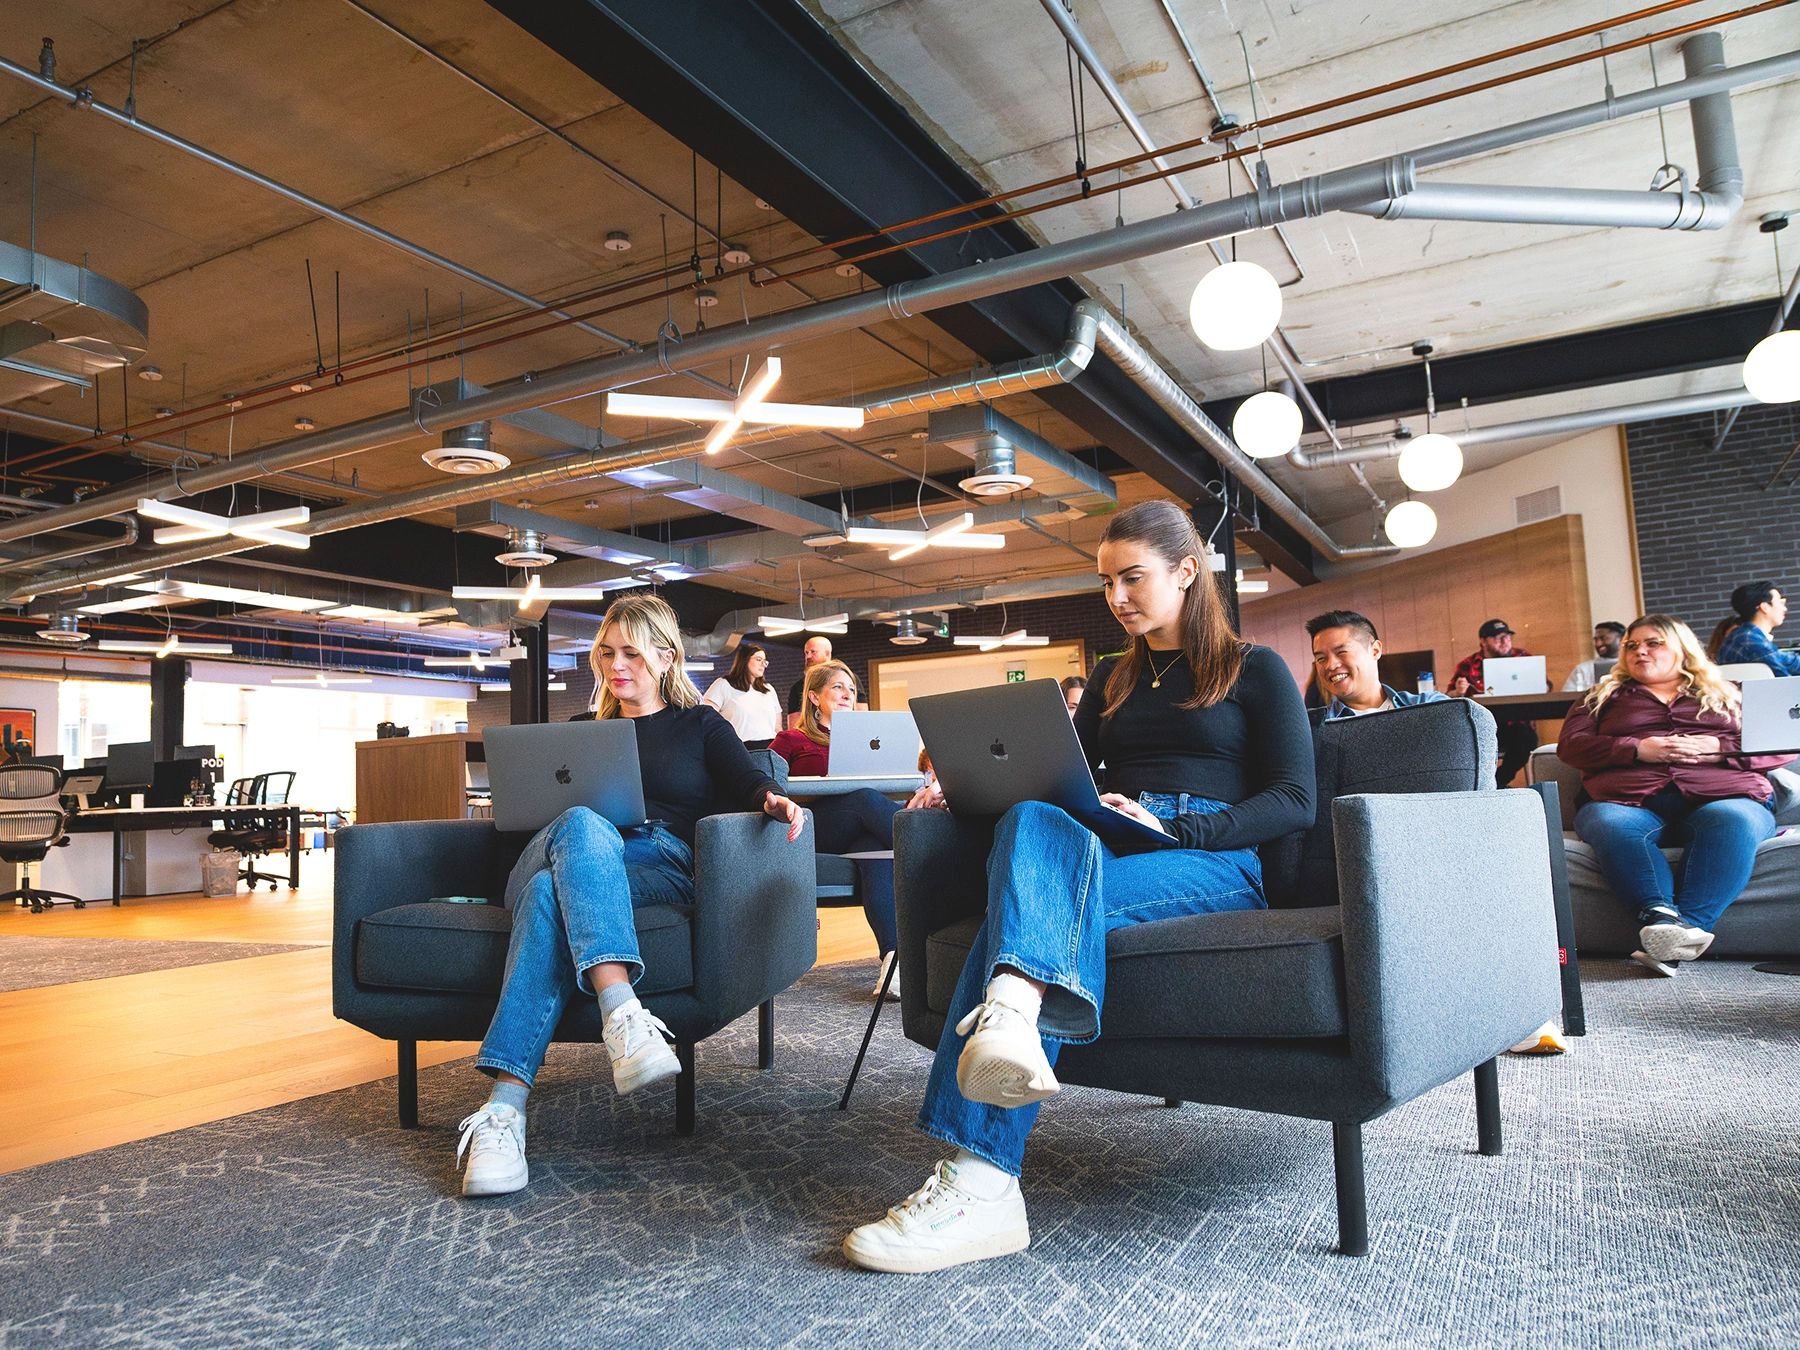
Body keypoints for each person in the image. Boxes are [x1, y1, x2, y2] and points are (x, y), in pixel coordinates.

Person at [841, 499, 1314, 1274]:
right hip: (1108, 841)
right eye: (1105, 583)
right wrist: (957, 789)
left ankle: (982, 1180)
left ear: (1187, 572)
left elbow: (1295, 800)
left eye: (1133, 579)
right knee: (1030, 813)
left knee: (1020, 924)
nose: (1117, 598)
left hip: (1208, 857)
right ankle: (1014, 1020)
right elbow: (1061, 781)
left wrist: (1177, 829)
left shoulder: (1252, 669)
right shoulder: (1110, 677)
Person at [454, 595, 806, 1198]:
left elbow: (749, 778)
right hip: (561, 847)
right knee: (583, 827)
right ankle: (623, 1014)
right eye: (607, 653)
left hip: (659, 865)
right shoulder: (576, 735)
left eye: (632, 654)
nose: (617, 666)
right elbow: (524, 821)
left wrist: (769, 801)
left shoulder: (700, 725)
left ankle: (505, 1111)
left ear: (666, 658)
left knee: (547, 895)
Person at [1557, 615, 1793, 978]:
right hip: (1625, 799)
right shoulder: (1599, 697)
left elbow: (1783, 742)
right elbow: (1571, 747)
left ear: (1682, 648)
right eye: (1632, 646)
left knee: (1735, 820)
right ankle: (1661, 914)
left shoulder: (1730, 692)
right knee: (1609, 822)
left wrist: (1721, 747)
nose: (1640, 651)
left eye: (1653, 643)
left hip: (1724, 793)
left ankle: (1678, 931)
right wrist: (1637, 749)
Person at [771, 661, 930, 999]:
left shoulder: (872, 738)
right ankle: (932, 848)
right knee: (864, 800)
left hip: (862, 827)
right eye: (837, 687)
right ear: (814, 697)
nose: (847, 694)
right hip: (814, 825)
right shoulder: (791, 739)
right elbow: (766, 781)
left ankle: (893, 963)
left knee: (877, 851)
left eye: (851, 690)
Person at [1306, 610, 1447, 722]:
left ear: (1375, 651)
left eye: (1341, 652)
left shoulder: (1430, 706)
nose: (1330, 665)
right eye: (1321, 658)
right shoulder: (1316, 727)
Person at [1447, 619, 1538, 787]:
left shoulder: (1523, 657)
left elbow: (1546, 685)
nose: (1505, 642)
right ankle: (1493, 785)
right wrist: (1458, 691)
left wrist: (1536, 683)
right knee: (1466, 743)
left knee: (1526, 738)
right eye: (1498, 638)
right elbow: (1449, 696)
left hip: (1517, 727)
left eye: (1508, 637)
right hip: (1484, 725)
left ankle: (1496, 784)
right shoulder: (1467, 665)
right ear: (1483, 641)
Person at [701, 642, 783, 744]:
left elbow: (777, 727)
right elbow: (706, 717)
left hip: (769, 747)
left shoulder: (768, 689)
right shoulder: (724, 684)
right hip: (739, 747)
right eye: (759, 660)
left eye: (765, 661)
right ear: (745, 660)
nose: (763, 665)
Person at [1712, 581, 1800, 675]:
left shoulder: (1743, 635)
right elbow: (1784, 680)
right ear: (1764, 607)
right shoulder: (1750, 642)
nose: (1785, 608)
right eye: (1781, 602)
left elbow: (1787, 660)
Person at [786, 635, 834, 729]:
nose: (808, 656)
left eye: (813, 652)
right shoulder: (798, 687)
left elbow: (860, 712)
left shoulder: (846, 680)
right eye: (806, 653)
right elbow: (794, 724)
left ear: (827, 654)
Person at [1562, 621, 1627, 692]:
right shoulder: (1583, 669)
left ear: (1621, 639)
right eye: (1596, 640)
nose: (1598, 644)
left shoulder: (1632, 665)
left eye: (1604, 638)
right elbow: (1567, 696)